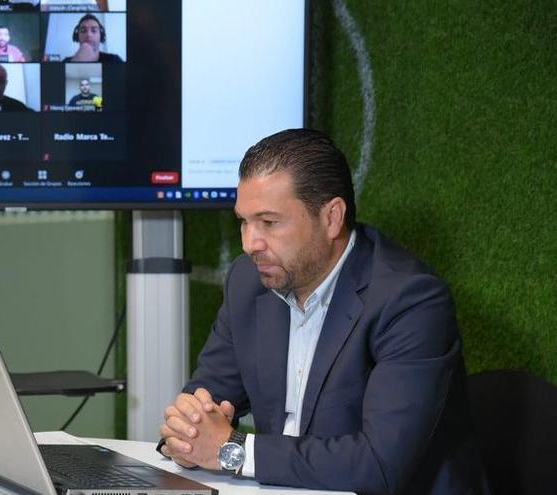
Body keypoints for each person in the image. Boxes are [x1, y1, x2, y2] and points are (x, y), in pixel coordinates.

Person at [157, 129, 487, 494]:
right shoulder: (248, 281)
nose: (250, 243)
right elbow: (204, 400)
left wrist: (233, 450)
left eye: (269, 222)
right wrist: (187, 434)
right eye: (243, 221)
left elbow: (378, 466)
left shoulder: (410, 300)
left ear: (331, 217)